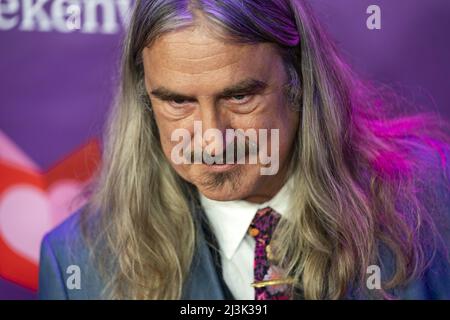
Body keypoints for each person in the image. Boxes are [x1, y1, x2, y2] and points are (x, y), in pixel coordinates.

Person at [38, 0, 450, 300]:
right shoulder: (80, 262)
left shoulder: (434, 199)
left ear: (300, 81)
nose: (211, 139)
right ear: (145, 100)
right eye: (178, 102)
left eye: (240, 97)